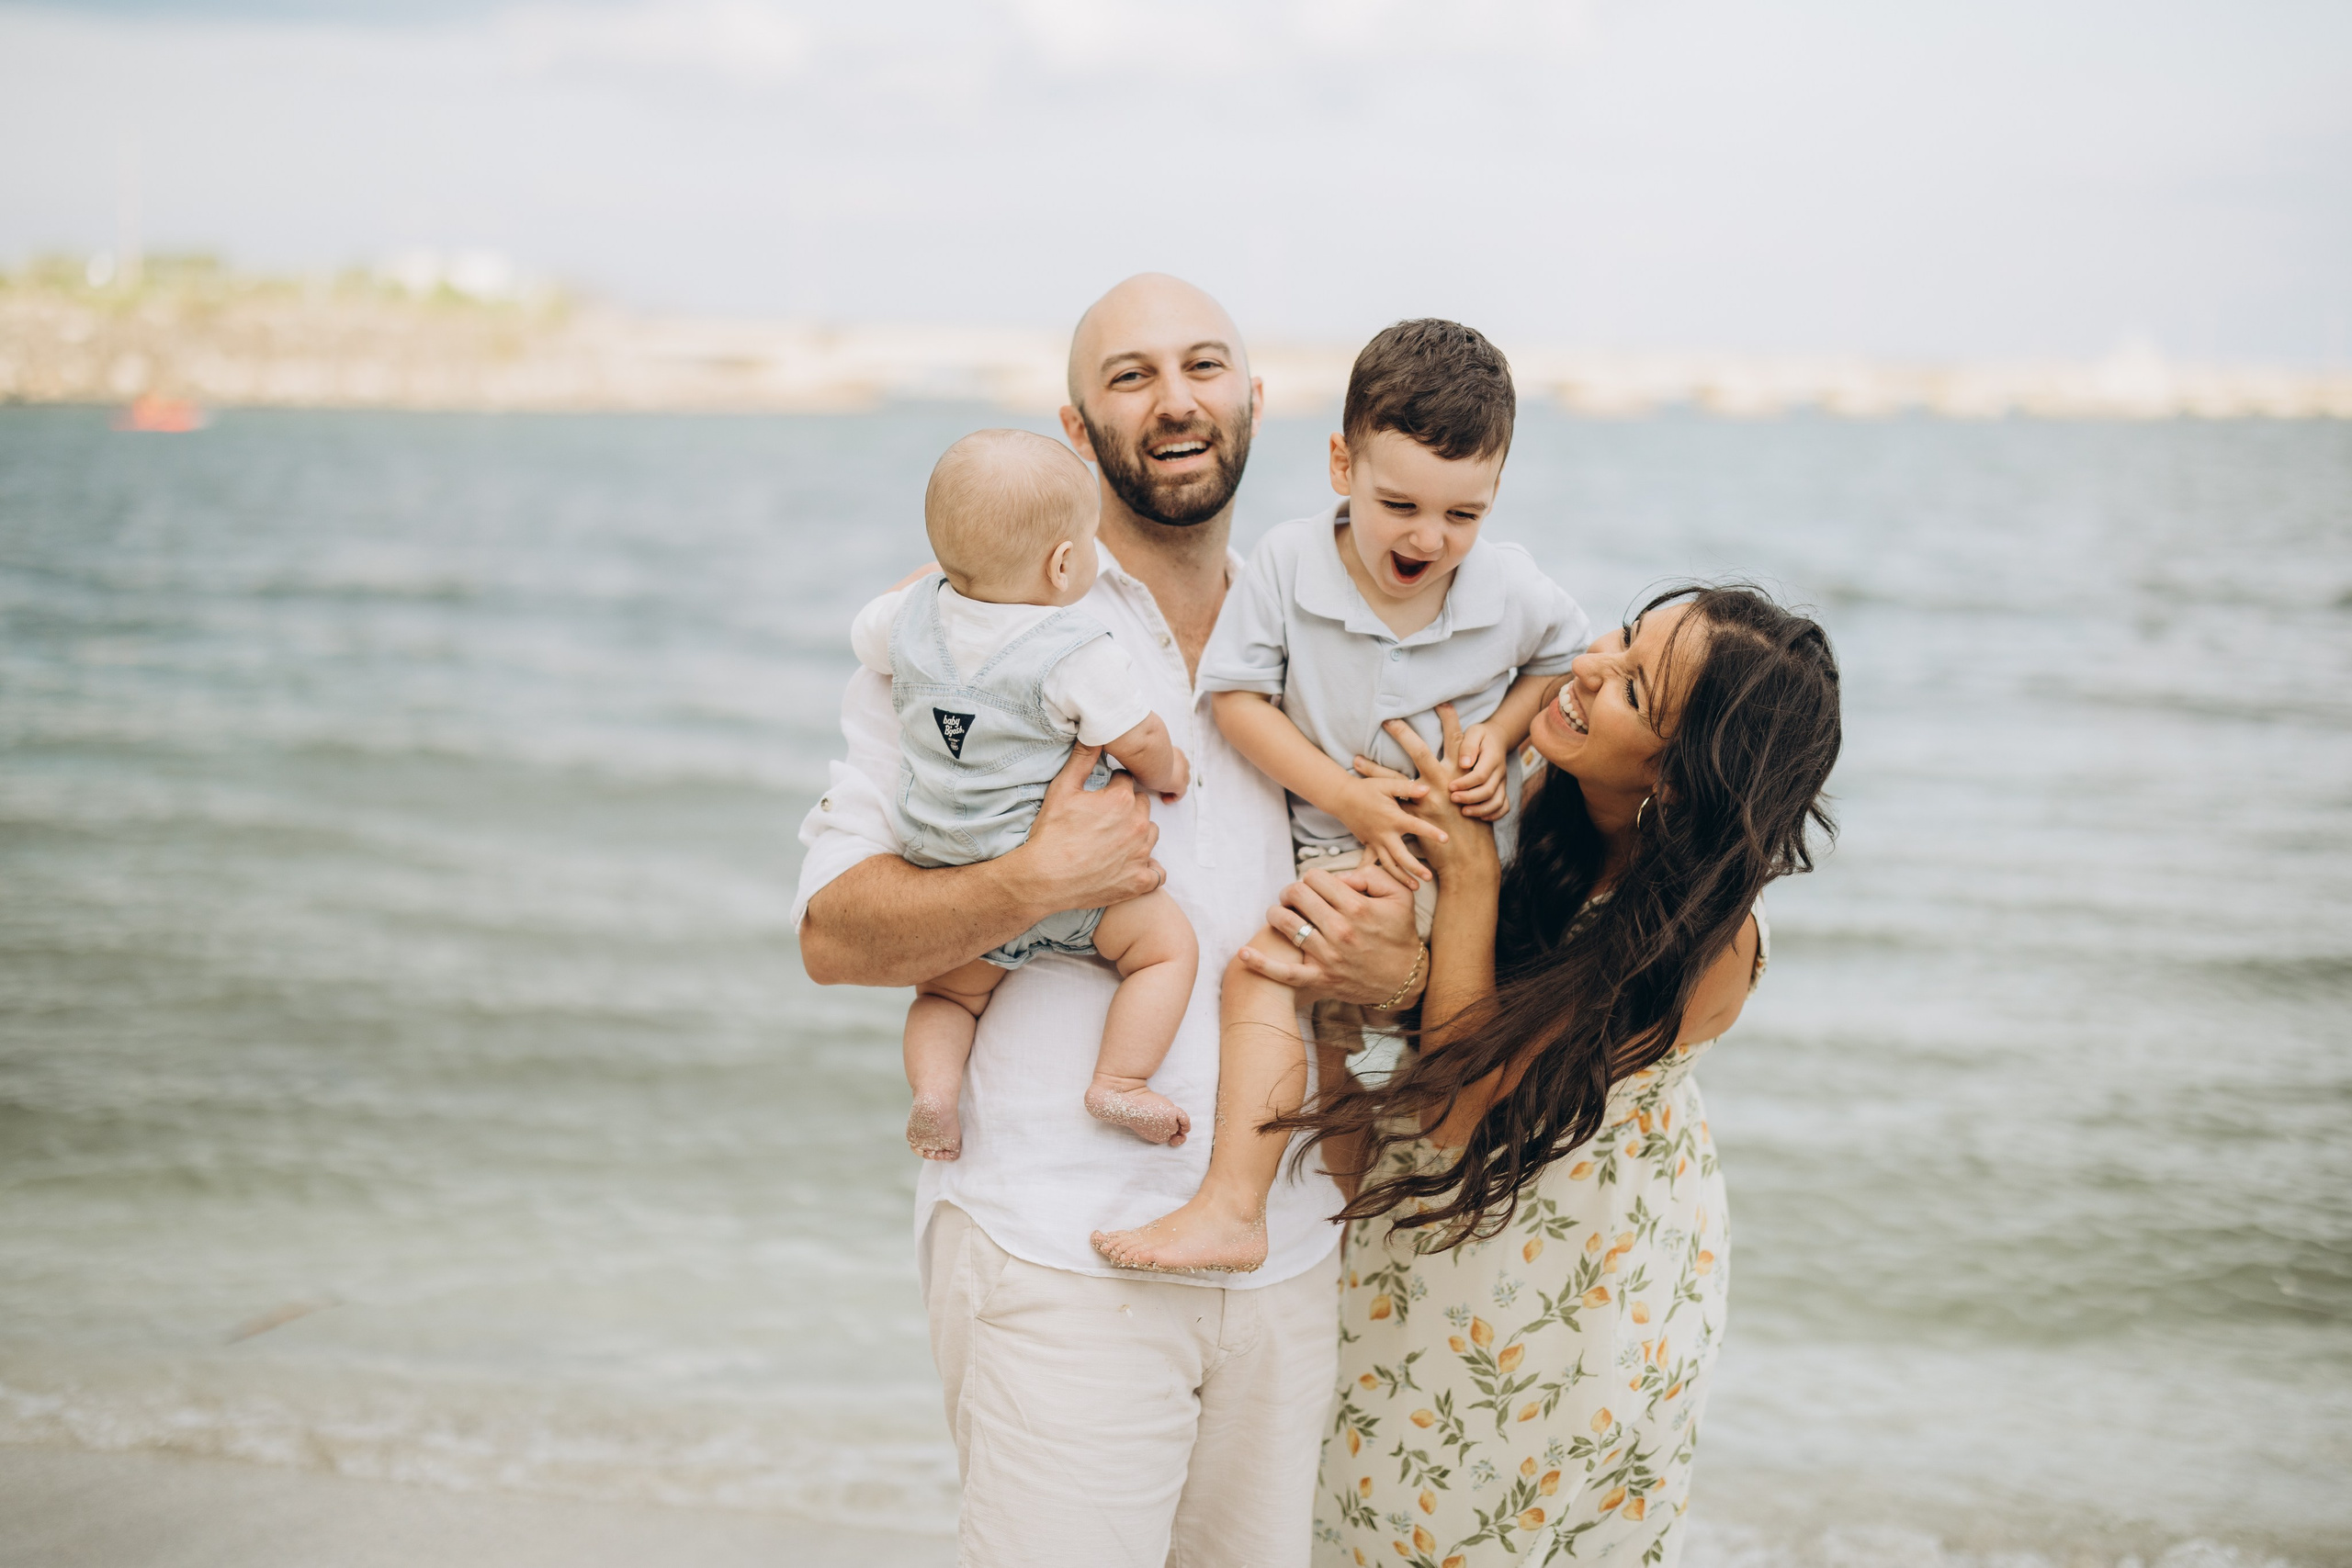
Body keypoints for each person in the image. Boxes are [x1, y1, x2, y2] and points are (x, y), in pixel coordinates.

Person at [794, 274, 1426, 1567]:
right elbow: (833, 933)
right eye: (1129, 375)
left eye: (1203, 365)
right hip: (1050, 1241)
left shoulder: (1338, 633)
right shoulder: (958, 636)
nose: (1174, 398)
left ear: (1254, 400)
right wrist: (1034, 878)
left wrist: (1400, 967)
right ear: (1077, 431)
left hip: (1294, 1245)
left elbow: (1426, 912)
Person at [1243, 587, 1841, 1567]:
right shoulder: (1544, 786)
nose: (1593, 667)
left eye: (1636, 691)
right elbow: (1452, 1008)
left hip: (1566, 1291)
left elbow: (1464, 1111)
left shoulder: (1708, 940)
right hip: (1434, 1243)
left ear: (1681, 779)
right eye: (1624, 637)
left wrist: (1468, 877)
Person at [1091, 320, 1589, 1276]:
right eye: (1397, 503)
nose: (1428, 538)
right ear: (1339, 464)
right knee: (1325, 1054)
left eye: (1463, 515)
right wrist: (1343, 799)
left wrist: (1499, 734)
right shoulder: (1286, 564)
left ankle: (1232, 1207)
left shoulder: (1508, 584)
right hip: (1337, 846)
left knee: (1261, 976)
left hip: (1453, 864)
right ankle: (1351, 1245)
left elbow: (1562, 661)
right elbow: (1235, 698)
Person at [849, 429, 1198, 1161]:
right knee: (1167, 949)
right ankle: (1119, 1079)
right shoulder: (1074, 646)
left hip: (951, 871)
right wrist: (1171, 771)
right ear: (1065, 562)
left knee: (945, 997)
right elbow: (1135, 737)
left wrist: (949, 569)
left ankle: (936, 1095)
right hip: (1074, 879)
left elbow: (864, 633)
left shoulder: (907, 617)